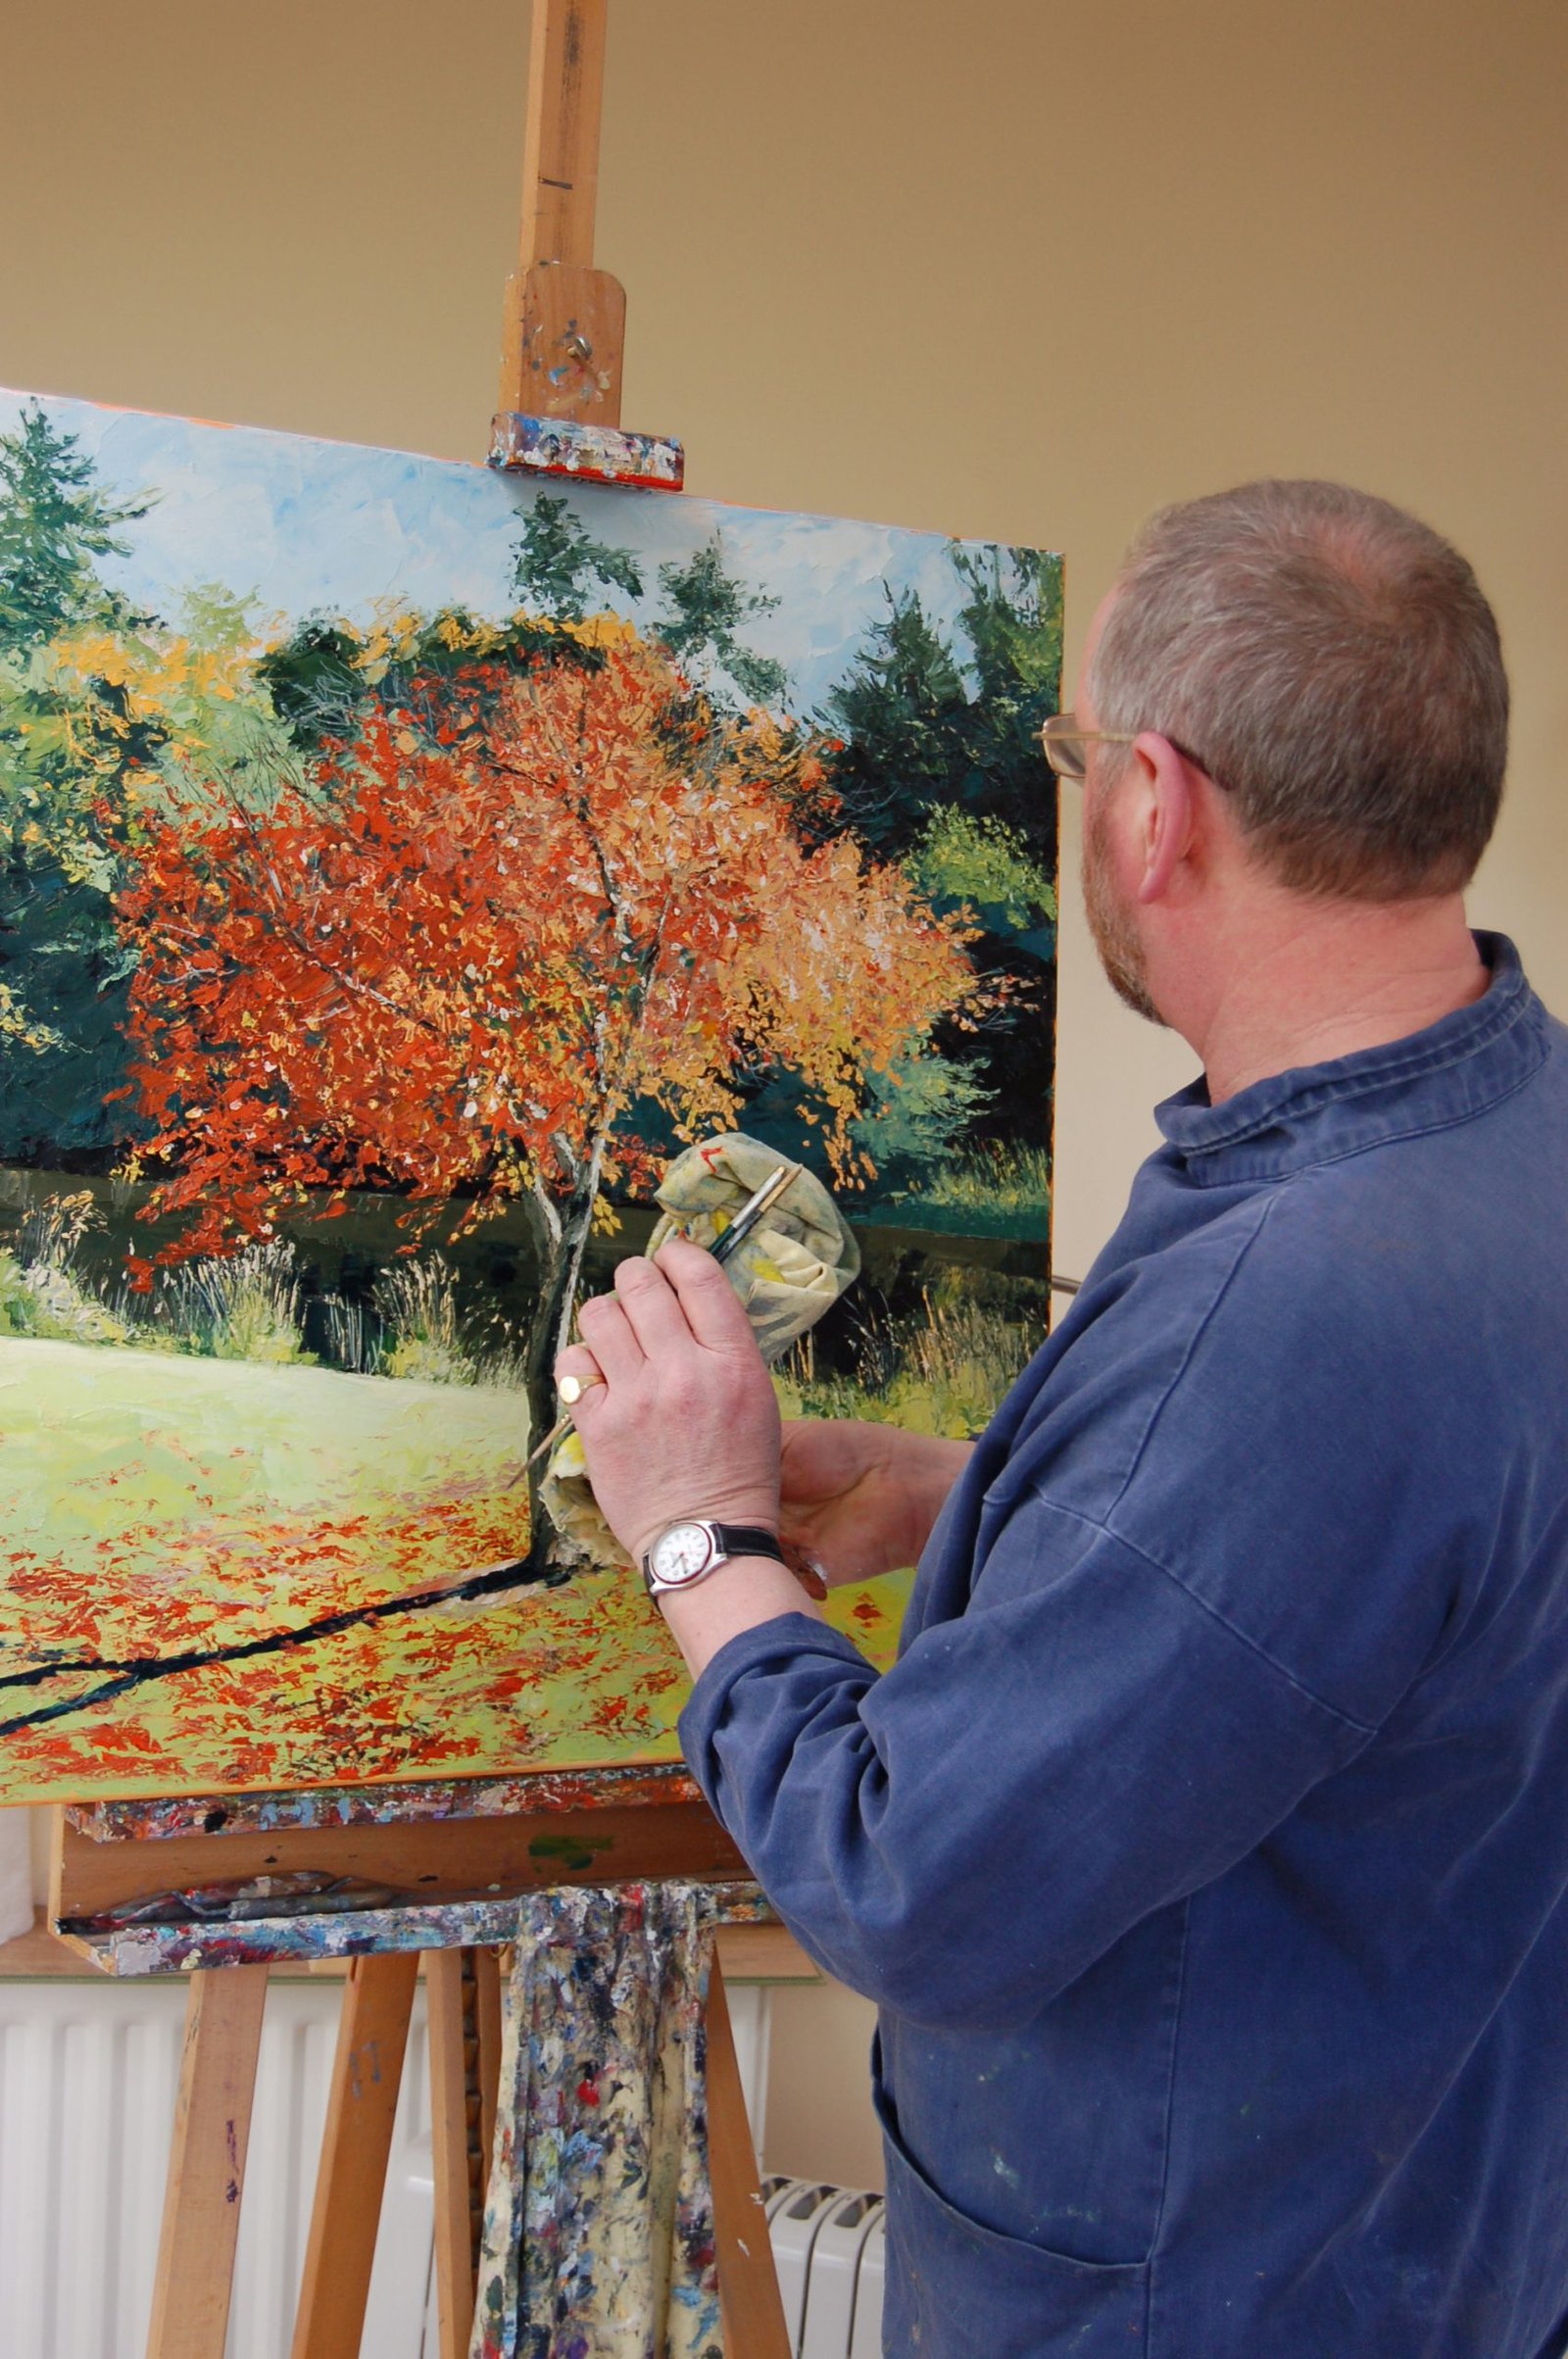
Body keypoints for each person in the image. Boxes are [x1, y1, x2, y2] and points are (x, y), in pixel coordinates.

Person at [557, 480, 1568, 2359]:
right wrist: (981, 1496)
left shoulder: (1304, 1309)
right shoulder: (1513, 1135)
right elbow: (1349, 1610)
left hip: (1222, 2299)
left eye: (1071, 746)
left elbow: (908, 1877)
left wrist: (700, 1531)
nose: (1075, 788)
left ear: (1159, 802)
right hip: (1423, 2241)